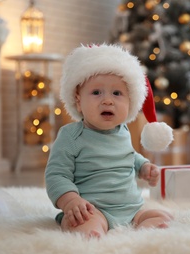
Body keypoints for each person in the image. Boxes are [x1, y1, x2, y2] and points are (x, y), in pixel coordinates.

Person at [45, 43, 174, 239]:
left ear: (130, 102)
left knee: (162, 215)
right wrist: (71, 202)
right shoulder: (71, 135)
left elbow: (128, 156)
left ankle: (145, 230)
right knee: (83, 223)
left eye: (117, 93)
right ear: (78, 101)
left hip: (131, 209)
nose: (107, 100)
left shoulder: (123, 131)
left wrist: (143, 166)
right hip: (92, 209)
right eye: (96, 92)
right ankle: (93, 233)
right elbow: (56, 175)